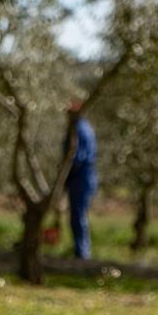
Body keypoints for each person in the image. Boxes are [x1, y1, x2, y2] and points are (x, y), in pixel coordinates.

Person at [63, 102, 98, 260]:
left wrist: (65, 177)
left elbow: (77, 158)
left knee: (78, 214)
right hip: (83, 176)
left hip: (81, 177)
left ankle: (83, 252)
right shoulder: (83, 128)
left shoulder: (80, 130)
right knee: (77, 214)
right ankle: (81, 250)